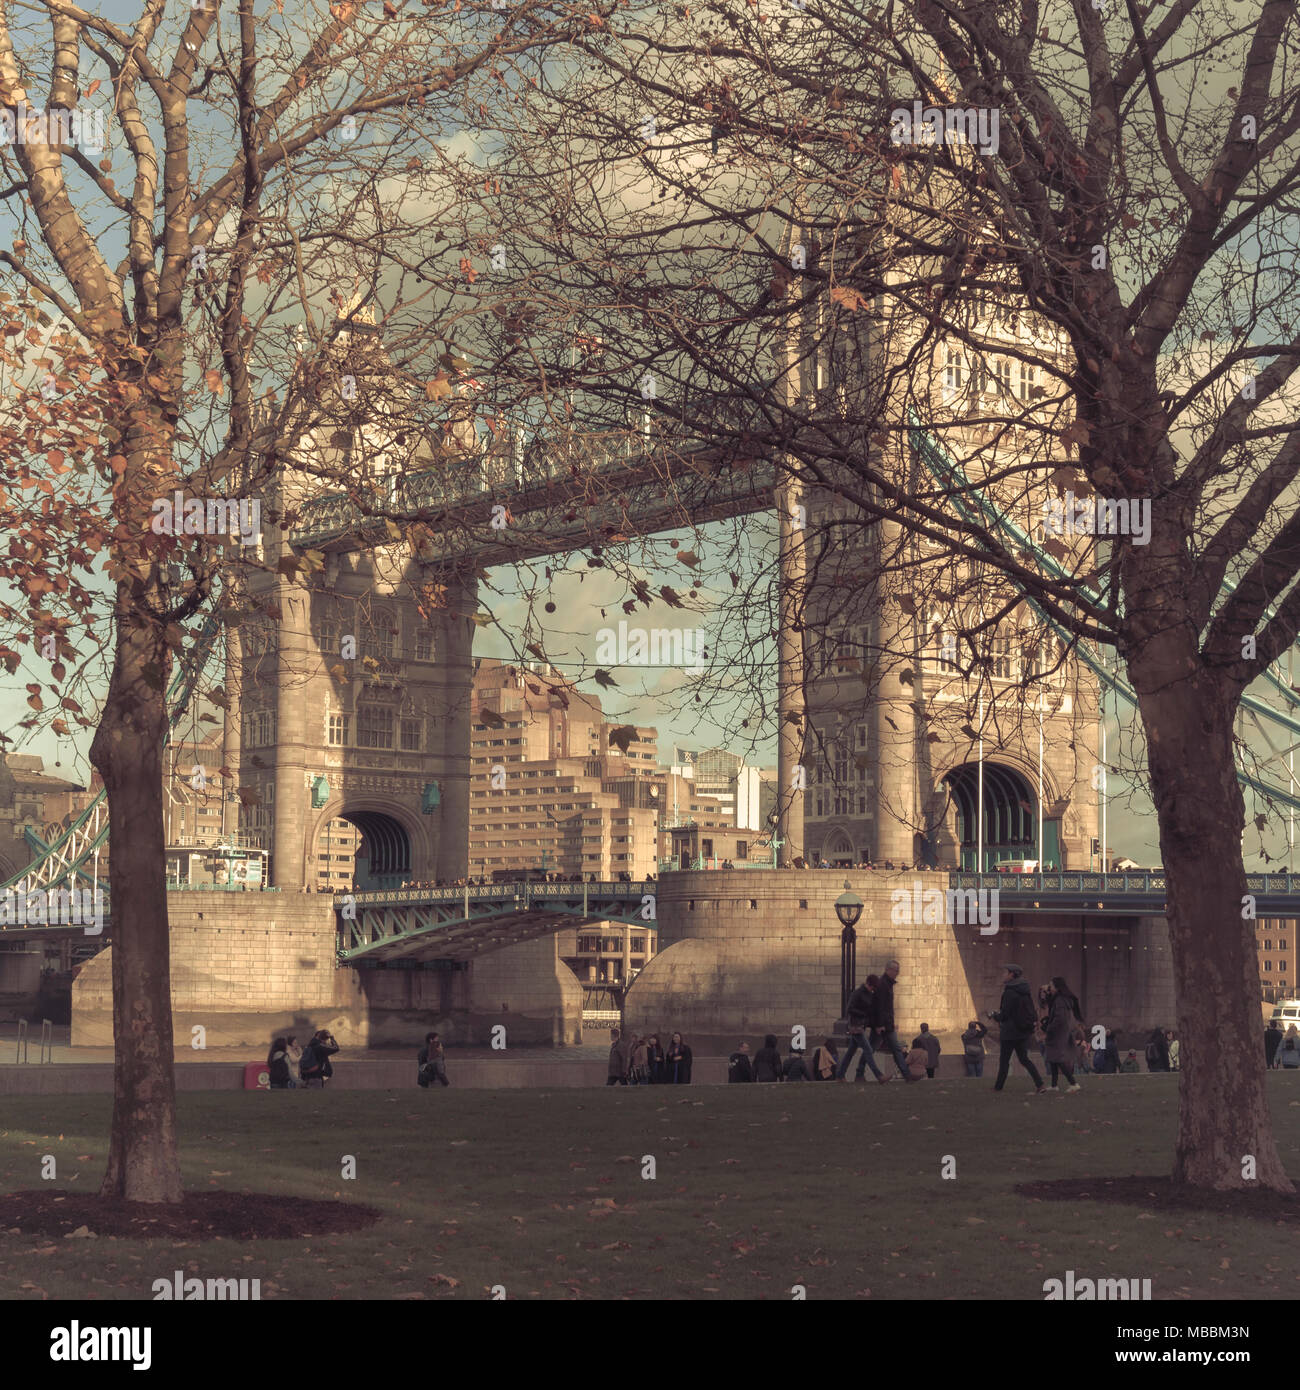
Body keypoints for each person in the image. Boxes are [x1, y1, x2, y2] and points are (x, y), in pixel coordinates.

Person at [989, 964, 1046, 1093]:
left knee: (1004, 1060)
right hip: (1022, 1032)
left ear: (1012, 975)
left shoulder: (1009, 992)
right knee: (1024, 1059)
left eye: (1005, 973)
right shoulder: (1025, 991)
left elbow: (1005, 1015)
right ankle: (1040, 1084)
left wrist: (995, 1016)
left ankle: (998, 1087)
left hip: (1009, 1033)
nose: (1003, 975)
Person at [837, 978, 888, 1084]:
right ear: (869, 984)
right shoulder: (857, 993)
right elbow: (849, 1009)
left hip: (861, 1026)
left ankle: (842, 1075)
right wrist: (864, 1014)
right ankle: (879, 1075)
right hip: (855, 1027)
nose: (873, 990)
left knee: (850, 1052)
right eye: (872, 988)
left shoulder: (869, 994)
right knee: (868, 1050)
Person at [872, 960, 915, 1081]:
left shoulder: (887, 984)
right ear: (888, 970)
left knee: (894, 1049)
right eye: (896, 970)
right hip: (883, 1026)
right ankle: (859, 1072)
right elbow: (880, 1007)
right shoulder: (883, 985)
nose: (898, 973)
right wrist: (880, 1025)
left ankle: (907, 1075)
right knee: (871, 1049)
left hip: (886, 1025)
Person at [1043, 977, 1084, 1093]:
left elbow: (1059, 1018)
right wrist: (1047, 993)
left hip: (1057, 1033)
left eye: (1051, 985)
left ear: (1057, 987)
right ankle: (1054, 1085)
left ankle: (1073, 1083)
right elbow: (1049, 1004)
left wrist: (1049, 1028)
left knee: (1058, 1059)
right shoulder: (1060, 999)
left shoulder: (1060, 1000)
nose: (1049, 987)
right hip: (1059, 1033)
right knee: (1053, 1059)